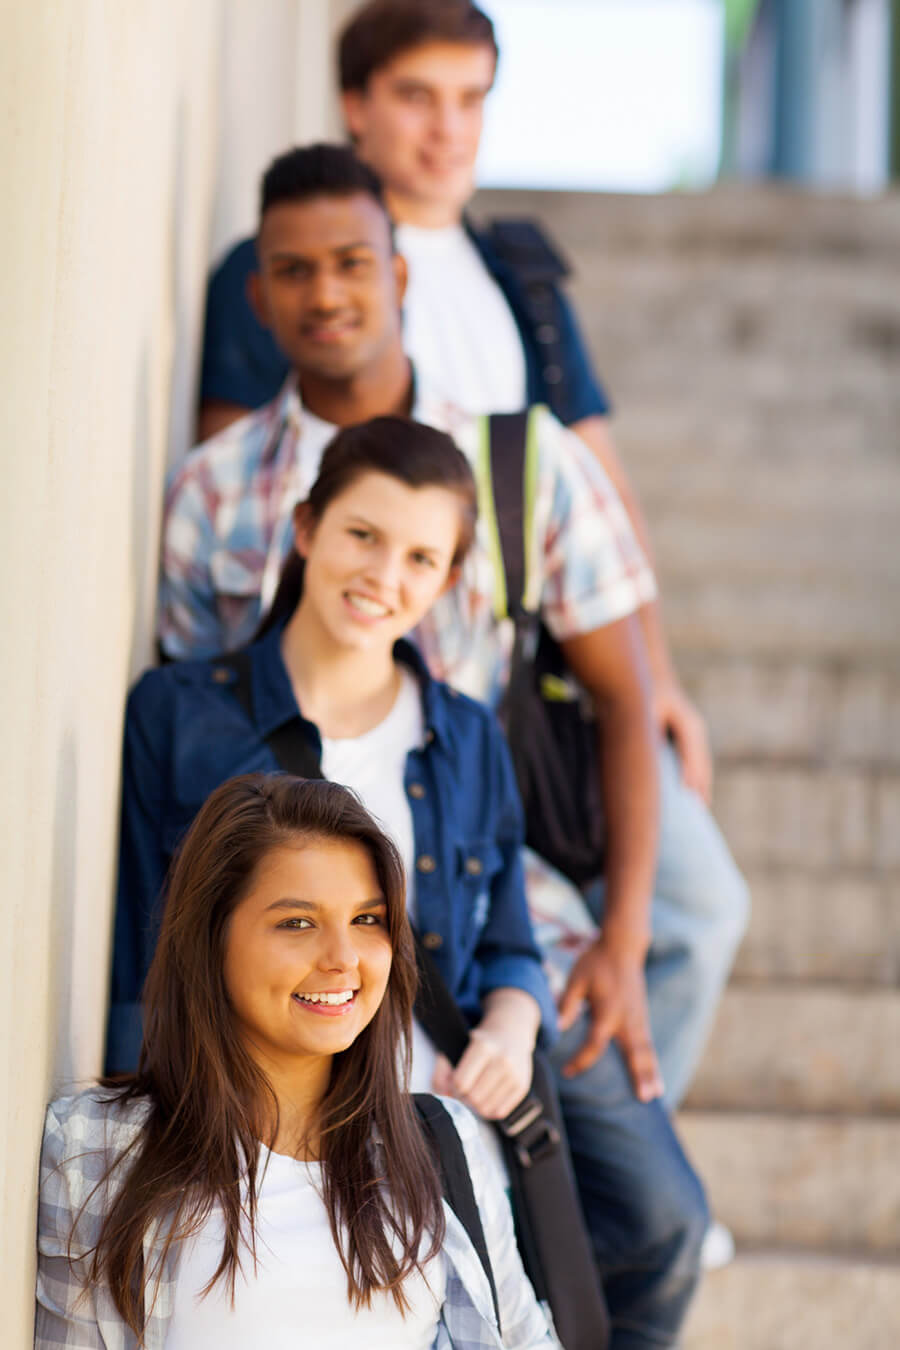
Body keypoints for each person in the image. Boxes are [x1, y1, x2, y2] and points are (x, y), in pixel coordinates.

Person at [158, 146, 709, 1348]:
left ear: (404, 274)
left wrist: (615, 944)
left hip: (495, 944)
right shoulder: (214, 494)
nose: (327, 294)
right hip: (298, 975)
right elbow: (198, 742)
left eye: (354, 263)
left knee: (659, 1224)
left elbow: (622, 696)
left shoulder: (518, 463)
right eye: (293, 271)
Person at [196, 0, 750, 1115]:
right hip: (382, 692)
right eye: (415, 97)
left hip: (535, 679)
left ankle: (624, 1144)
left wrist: (661, 673)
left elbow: (597, 479)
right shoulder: (304, 270)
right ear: (356, 106)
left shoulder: (519, 284)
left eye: (470, 99)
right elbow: (237, 486)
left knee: (696, 909)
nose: (446, 129)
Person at [109, 418, 555, 1139]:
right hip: (238, 1136)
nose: (384, 577)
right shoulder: (178, 715)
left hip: (428, 1138)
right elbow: (138, 962)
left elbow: (510, 944)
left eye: (420, 558)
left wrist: (511, 1031)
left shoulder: (470, 737)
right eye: (363, 536)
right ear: (308, 528)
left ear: (446, 580)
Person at [38, 774, 556, 1349]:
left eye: (367, 920)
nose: (343, 958)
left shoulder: (441, 1147)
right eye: (297, 923)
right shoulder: (97, 1152)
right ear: (211, 938)